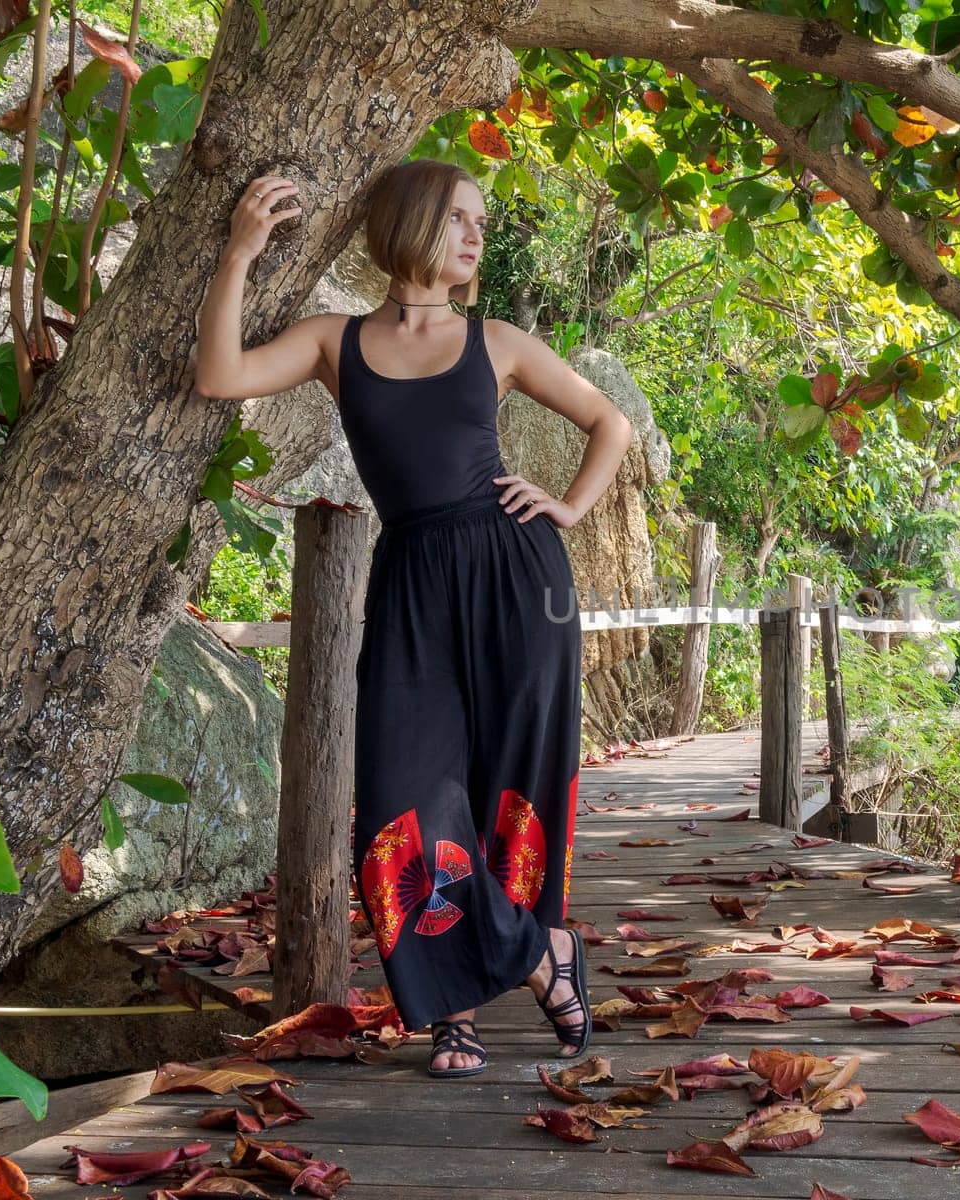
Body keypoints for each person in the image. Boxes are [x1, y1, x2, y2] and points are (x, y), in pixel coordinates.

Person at [193, 158, 633, 1075]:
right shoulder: (333, 342)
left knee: (512, 787)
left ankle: (466, 1006)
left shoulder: (497, 341)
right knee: (404, 793)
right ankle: (528, 960)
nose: (476, 236)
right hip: (410, 581)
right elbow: (220, 376)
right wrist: (241, 251)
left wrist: (570, 507)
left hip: (516, 573)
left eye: (480, 221)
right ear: (410, 226)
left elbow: (610, 424)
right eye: (460, 218)